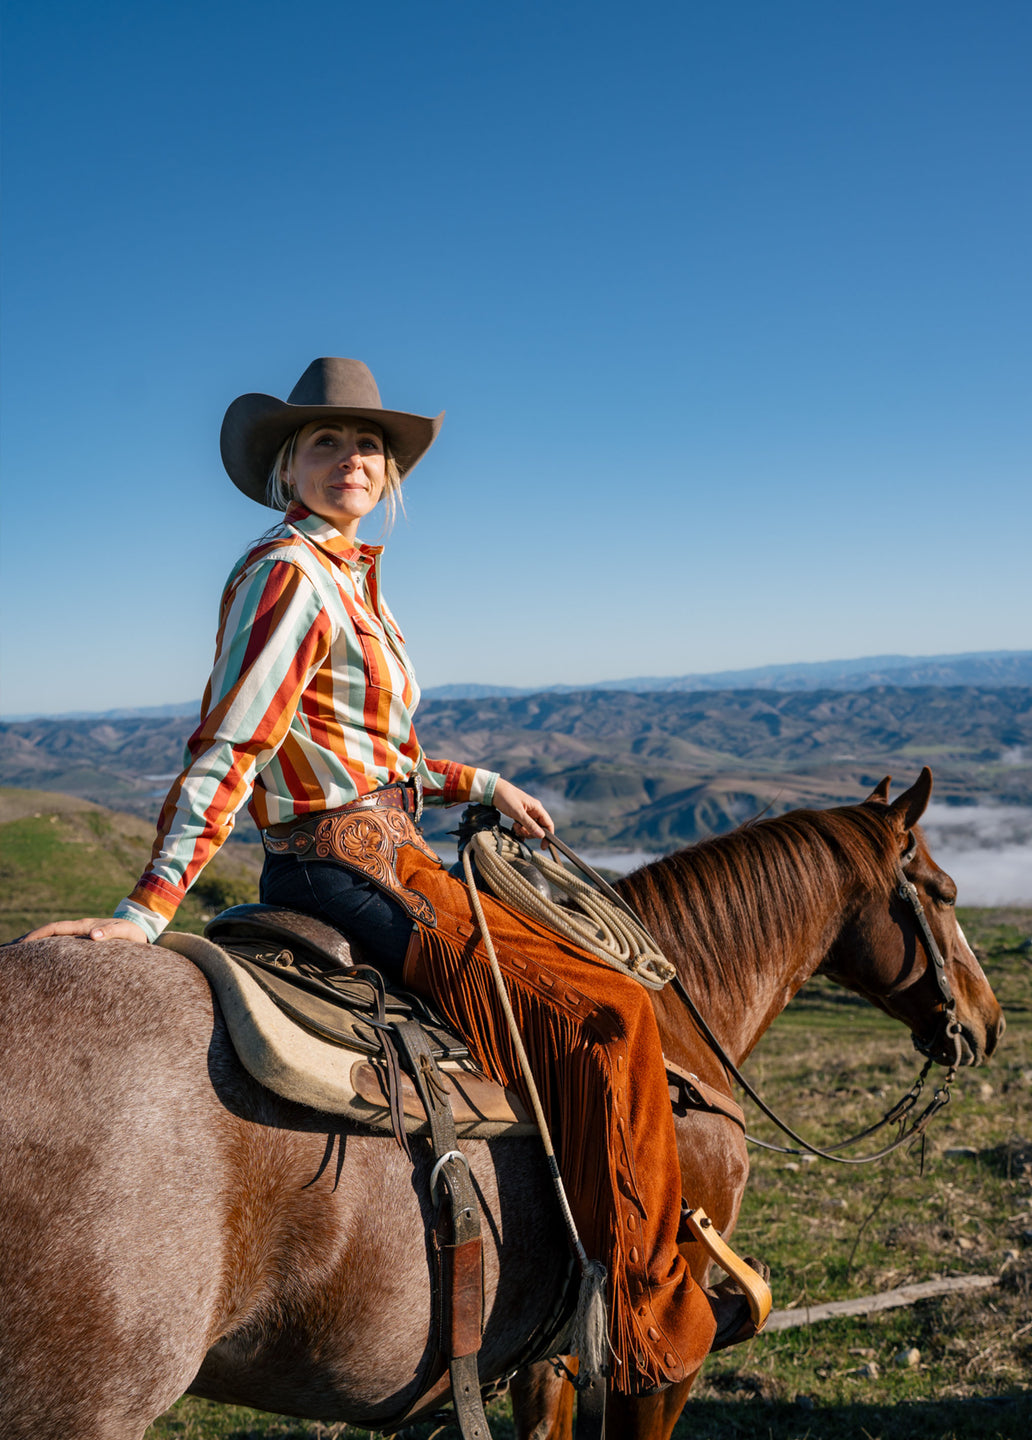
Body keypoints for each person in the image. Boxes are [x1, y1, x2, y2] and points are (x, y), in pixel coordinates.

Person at [26, 357, 747, 1394]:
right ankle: (639, 1314)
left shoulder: (350, 581)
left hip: (389, 843)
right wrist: (146, 912)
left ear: (389, 473)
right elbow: (235, 743)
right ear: (288, 468)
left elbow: (369, 753)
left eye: (367, 444)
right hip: (351, 869)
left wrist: (476, 780)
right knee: (610, 1017)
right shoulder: (292, 574)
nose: (351, 457)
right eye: (325, 441)